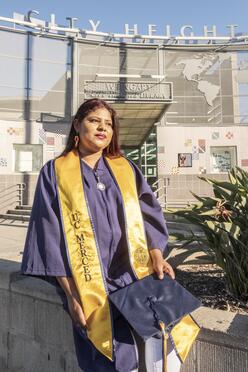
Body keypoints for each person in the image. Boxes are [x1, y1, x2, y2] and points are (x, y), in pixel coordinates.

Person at [21, 98, 181, 372]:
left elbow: (148, 214)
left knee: (159, 349)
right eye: (94, 121)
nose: (102, 128)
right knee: (107, 357)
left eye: (108, 124)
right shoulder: (55, 172)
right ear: (76, 125)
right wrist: (71, 295)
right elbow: (49, 235)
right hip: (89, 285)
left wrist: (156, 254)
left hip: (134, 275)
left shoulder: (125, 168)